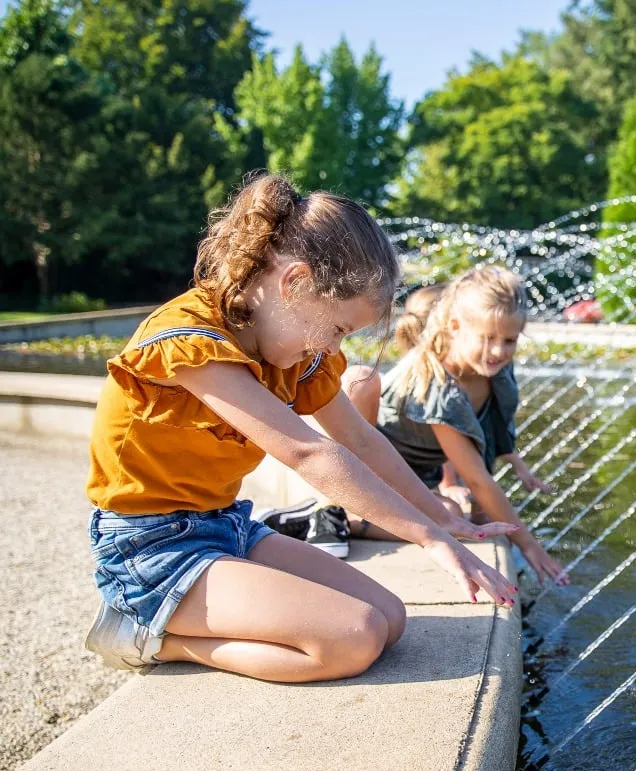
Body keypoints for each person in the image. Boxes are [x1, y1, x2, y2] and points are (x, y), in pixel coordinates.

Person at [84, 173, 518, 683]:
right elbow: (309, 453)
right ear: (293, 283)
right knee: (350, 640)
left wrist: (443, 520)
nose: (335, 350)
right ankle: (152, 635)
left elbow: (359, 438)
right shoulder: (190, 342)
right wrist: (427, 539)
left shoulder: (294, 353)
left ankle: (179, 618)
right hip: (151, 548)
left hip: (227, 526)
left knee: (390, 620)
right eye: (337, 329)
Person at [338, 267, 570, 585]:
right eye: (487, 338)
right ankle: (346, 518)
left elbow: (491, 433)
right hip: (378, 472)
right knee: (453, 517)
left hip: (421, 476)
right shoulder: (438, 386)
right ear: (455, 326)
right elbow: (477, 479)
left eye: (509, 340)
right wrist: (530, 545)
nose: (499, 350)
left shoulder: (494, 372)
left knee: (470, 514)